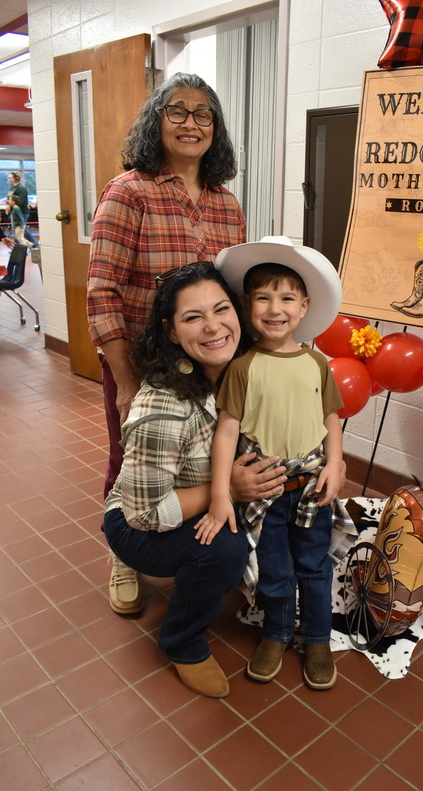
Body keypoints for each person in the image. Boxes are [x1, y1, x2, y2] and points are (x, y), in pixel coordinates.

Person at [87, 72, 263, 614]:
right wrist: (124, 380)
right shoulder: (129, 193)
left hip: (209, 362)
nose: (191, 123)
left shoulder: (226, 203)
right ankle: (125, 553)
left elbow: (234, 291)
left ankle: (213, 544)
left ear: (216, 128)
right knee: (131, 461)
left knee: (204, 456)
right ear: (156, 123)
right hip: (144, 363)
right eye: (177, 112)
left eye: (203, 114)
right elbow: (102, 292)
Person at [103, 261, 289, 698]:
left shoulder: (239, 370)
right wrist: (227, 490)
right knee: (224, 548)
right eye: (192, 317)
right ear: (171, 332)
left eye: (221, 309)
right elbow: (145, 513)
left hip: (193, 499)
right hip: (136, 523)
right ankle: (181, 641)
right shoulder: (162, 408)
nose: (212, 327)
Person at [197, 237, 355, 690]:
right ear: (247, 305)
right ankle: (277, 631)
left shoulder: (317, 363)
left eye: (286, 298)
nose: (274, 308)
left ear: (303, 307)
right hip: (266, 491)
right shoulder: (243, 366)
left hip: (310, 489)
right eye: (263, 297)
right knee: (274, 567)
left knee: (314, 565)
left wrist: (335, 463)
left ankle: (318, 638)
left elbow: (332, 419)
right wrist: (220, 494)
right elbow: (227, 431)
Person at [7, 172, 39, 248]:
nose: (9, 179)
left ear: (15, 179)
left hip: (22, 212)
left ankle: (34, 244)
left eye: (10, 178)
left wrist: (11, 207)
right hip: (14, 211)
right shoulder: (12, 188)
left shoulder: (21, 188)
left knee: (21, 229)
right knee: (18, 230)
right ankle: (18, 247)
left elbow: (20, 201)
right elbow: (9, 198)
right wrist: (9, 206)